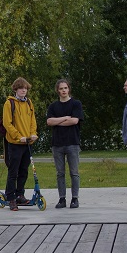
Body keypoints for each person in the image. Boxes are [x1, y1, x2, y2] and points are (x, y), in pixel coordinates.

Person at [46, 79, 84, 208]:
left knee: (74, 172)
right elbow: (49, 122)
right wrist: (65, 118)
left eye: (65, 88)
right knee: (60, 173)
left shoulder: (76, 104)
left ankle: (75, 198)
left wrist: (59, 121)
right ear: (57, 90)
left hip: (72, 142)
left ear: (69, 89)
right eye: (61, 88)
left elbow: (74, 121)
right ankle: (62, 198)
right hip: (57, 144)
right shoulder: (53, 106)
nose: (63, 90)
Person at [2, 77, 38, 211]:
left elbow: (32, 120)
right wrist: (19, 137)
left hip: (27, 143)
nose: (24, 90)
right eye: (21, 88)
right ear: (15, 89)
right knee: (13, 171)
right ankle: (10, 197)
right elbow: (7, 123)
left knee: (24, 170)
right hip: (15, 143)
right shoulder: (9, 103)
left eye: (25, 88)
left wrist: (33, 134)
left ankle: (20, 194)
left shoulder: (29, 103)